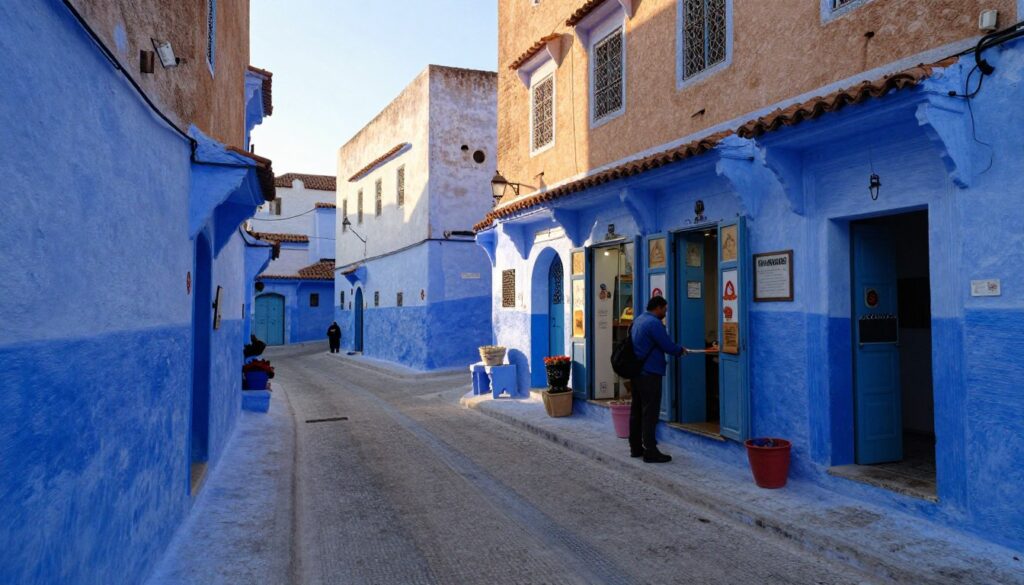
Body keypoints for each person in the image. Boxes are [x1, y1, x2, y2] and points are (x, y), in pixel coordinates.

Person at [629, 296, 687, 463]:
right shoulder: (654, 324)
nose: (665, 313)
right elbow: (667, 345)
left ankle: (635, 447)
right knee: (650, 413)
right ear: (658, 308)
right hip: (650, 374)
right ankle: (650, 450)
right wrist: (680, 350)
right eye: (665, 310)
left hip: (637, 373)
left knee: (637, 411)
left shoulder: (639, 319)